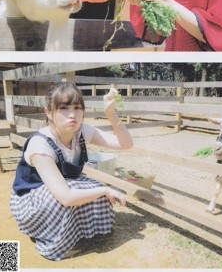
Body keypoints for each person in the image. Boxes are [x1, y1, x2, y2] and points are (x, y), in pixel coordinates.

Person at [10, 82, 133, 261]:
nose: (72, 114)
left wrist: (111, 114)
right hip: (30, 201)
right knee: (86, 191)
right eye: (63, 108)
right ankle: (45, 233)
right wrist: (105, 190)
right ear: (48, 112)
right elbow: (66, 197)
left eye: (77, 107)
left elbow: (126, 144)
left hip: (62, 186)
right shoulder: (41, 144)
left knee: (91, 187)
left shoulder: (81, 132)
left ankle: (78, 231)